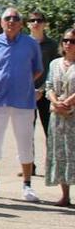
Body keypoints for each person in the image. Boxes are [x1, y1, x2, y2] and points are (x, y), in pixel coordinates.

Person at [0, 7, 44, 201]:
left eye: (15, 18)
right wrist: (0, 83)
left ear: (21, 23)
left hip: (23, 101)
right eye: (7, 18)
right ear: (1, 22)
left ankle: (27, 185)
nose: (11, 21)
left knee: (25, 144)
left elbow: (37, 70)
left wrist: (23, 82)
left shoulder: (30, 43)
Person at [44, 28, 75, 206]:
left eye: (72, 41)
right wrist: (56, 102)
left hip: (73, 115)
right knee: (60, 153)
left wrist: (69, 102)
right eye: (65, 40)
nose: (68, 44)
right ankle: (65, 195)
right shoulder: (55, 64)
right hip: (57, 116)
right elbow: (48, 86)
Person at [29, 12, 60, 140]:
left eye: (39, 20)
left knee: (50, 131)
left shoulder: (52, 45)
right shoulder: (23, 44)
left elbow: (56, 70)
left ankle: (51, 160)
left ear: (45, 24)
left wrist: (41, 90)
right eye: (33, 20)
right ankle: (29, 161)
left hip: (46, 94)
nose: (36, 23)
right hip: (27, 94)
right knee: (27, 133)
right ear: (28, 24)